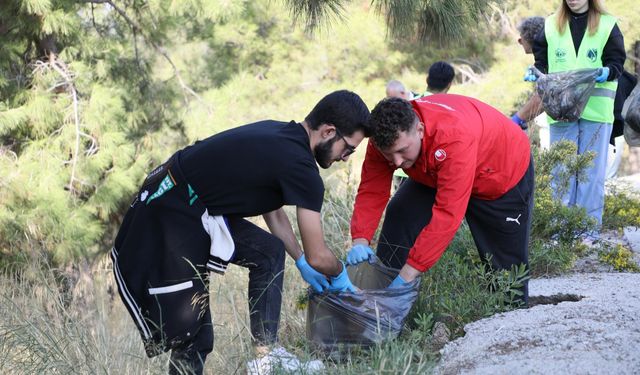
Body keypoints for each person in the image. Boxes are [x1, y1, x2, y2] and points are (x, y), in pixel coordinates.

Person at [111, 90, 370, 375]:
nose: (346, 158)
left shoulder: (283, 135)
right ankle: (265, 361)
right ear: (328, 131)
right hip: (168, 215)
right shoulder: (302, 168)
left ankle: (266, 357)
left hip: (185, 200)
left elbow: (273, 211)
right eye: (348, 148)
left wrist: (299, 260)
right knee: (194, 336)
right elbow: (320, 256)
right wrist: (340, 275)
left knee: (269, 251)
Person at [346, 95, 534, 304]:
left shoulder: (453, 136)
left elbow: (447, 215)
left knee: (506, 274)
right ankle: (381, 306)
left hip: (500, 171)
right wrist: (360, 240)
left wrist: (407, 276)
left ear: (419, 129)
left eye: (402, 151)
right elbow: (372, 189)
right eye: (390, 155)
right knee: (400, 214)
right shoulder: (384, 140)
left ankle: (510, 322)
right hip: (437, 168)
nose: (397, 162)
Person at [529, 0, 626, 231]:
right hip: (561, 108)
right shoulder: (551, 25)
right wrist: (536, 72)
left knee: (591, 172)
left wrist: (608, 71)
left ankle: (588, 230)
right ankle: (559, 229)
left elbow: (617, 62)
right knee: (561, 169)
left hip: (596, 109)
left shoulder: (607, 24)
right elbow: (541, 61)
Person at [393, 61, 456, 188]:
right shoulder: (451, 110)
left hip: (402, 171)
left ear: (427, 79)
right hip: (430, 173)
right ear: (449, 84)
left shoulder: (409, 104)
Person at [512, 16, 548, 138]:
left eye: (521, 37)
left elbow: (543, 97)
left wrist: (517, 119)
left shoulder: (546, 58)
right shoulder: (546, 56)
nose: (519, 41)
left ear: (530, 38)